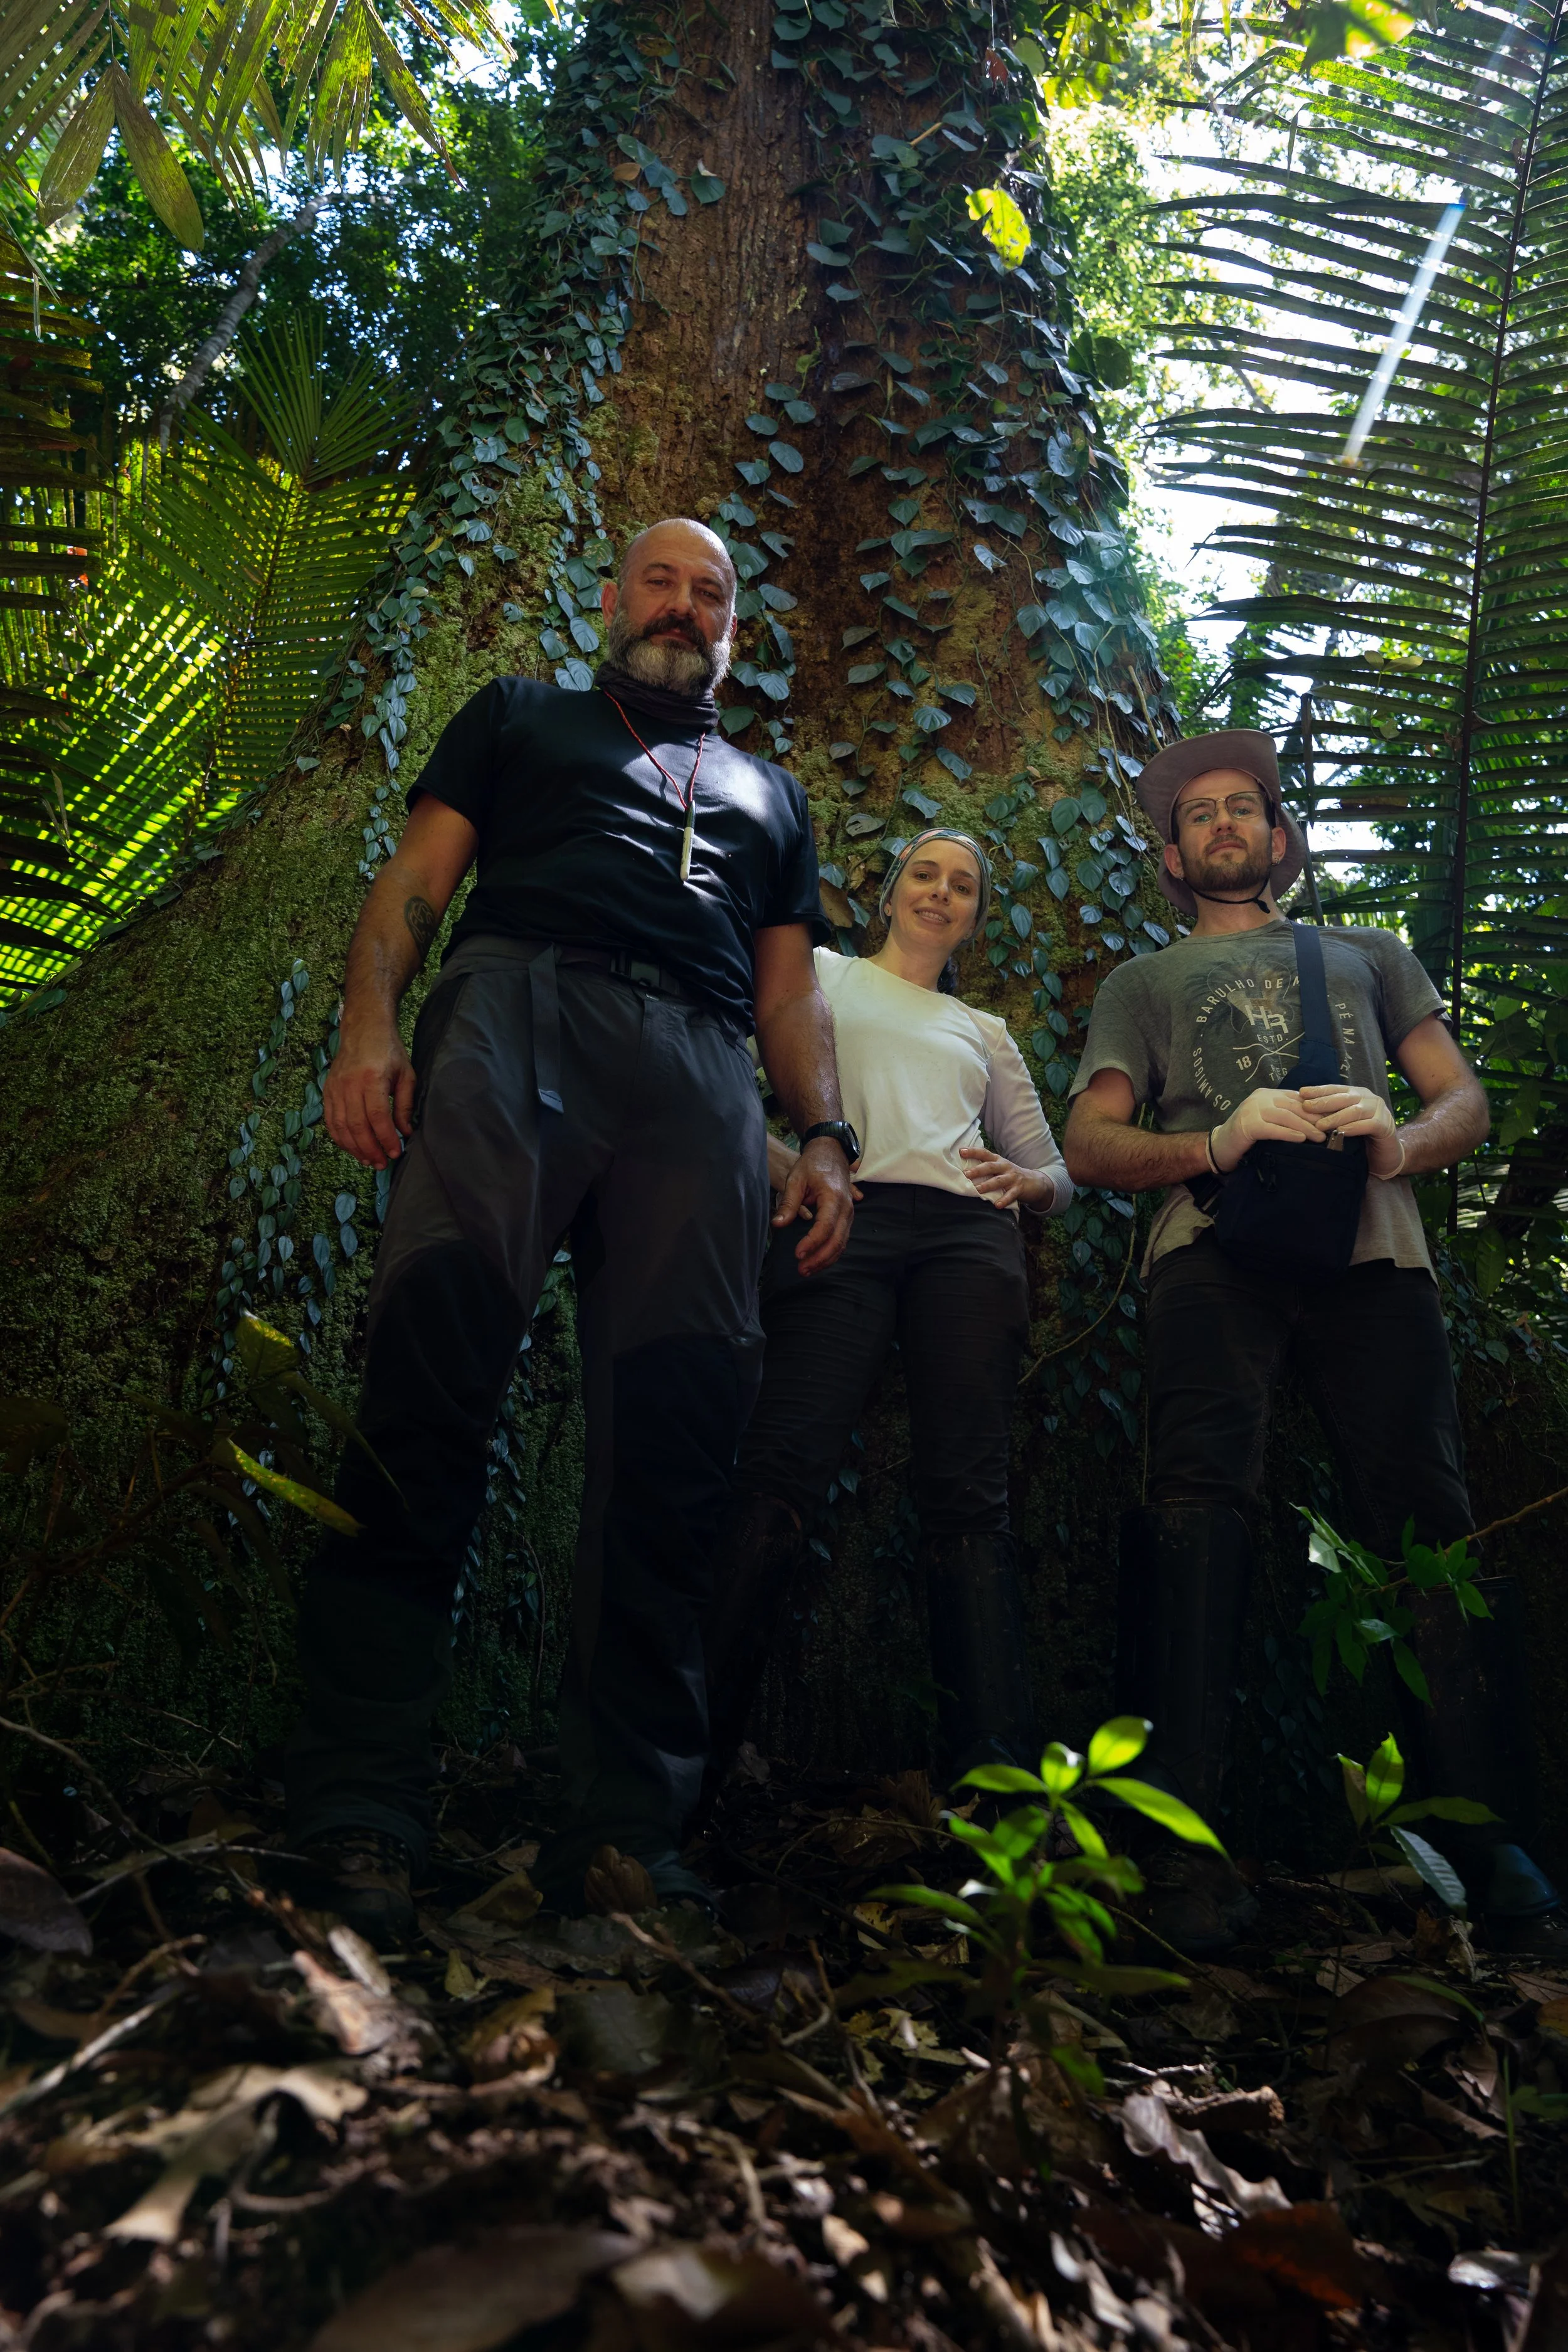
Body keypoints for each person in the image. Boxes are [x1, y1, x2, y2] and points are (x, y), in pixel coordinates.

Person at [288, 517, 857, 1941]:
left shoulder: (769, 798)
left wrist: (826, 1135)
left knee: (675, 1440)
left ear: (736, 631)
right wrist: (367, 1033)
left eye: (711, 593)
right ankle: (357, 1796)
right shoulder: (524, 718)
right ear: (611, 601)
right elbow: (414, 887)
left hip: (701, 1073)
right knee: (429, 1370)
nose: (682, 606)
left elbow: (788, 998)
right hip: (515, 1011)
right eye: (659, 583)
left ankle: (622, 1834)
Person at [1062, 728, 1565, 1954]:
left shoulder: (1368, 956)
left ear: (1278, 839)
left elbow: (1463, 1100)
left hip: (1373, 1256)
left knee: (1423, 1519)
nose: (1223, 824)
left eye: (1244, 807)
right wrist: (1216, 1140)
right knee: (1191, 1506)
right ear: (1172, 854)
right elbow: (1087, 1147)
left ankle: (1488, 1845)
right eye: (1198, 815)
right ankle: (1176, 1849)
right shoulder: (1140, 982)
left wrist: (1395, 1139)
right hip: (1206, 1253)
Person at [702, 828, 1073, 1800]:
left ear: (976, 917)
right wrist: (791, 1162)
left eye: (963, 886)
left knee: (970, 1493)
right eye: (925, 874)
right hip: (845, 1214)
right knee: (782, 1458)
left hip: (967, 1237)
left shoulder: (983, 1029)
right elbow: (726, 1076)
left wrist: (1027, 1186)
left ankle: (995, 1792)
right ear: (891, 890)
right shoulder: (821, 973)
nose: (941, 893)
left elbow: (1060, 1173)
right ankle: (684, 1760)